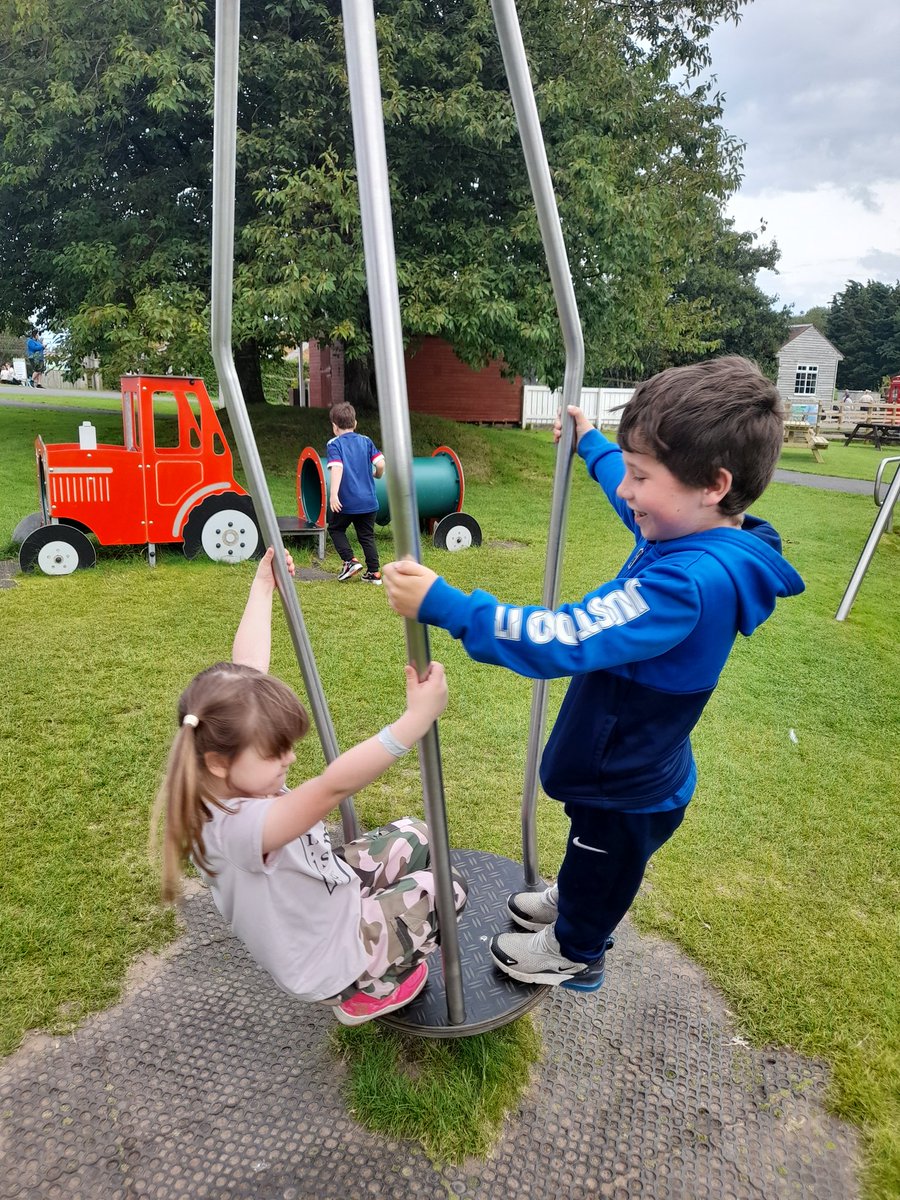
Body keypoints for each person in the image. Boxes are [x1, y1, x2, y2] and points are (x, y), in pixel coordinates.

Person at [383, 356, 804, 992]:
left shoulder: (684, 584)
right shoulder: (697, 532)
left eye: (642, 475)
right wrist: (596, 446)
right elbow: (628, 496)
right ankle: (578, 898)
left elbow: (564, 637)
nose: (628, 490)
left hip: (628, 780)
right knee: (591, 850)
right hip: (632, 754)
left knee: (602, 857)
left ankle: (577, 949)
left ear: (713, 485)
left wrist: (448, 605)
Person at [152, 547, 466, 1025]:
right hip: (324, 955)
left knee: (418, 835)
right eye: (275, 753)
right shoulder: (239, 828)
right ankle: (365, 991)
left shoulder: (222, 769)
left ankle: (372, 932)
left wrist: (263, 587)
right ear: (219, 762)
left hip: (320, 898)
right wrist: (413, 722)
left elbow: (248, 671)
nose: (290, 758)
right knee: (447, 887)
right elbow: (329, 788)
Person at [326, 401, 386, 584]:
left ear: (335, 427)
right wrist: (377, 474)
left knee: (336, 529)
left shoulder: (334, 444)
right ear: (355, 423)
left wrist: (333, 494)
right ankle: (374, 573)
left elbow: (337, 467)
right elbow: (381, 463)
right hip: (369, 502)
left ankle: (349, 560)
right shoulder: (366, 441)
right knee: (366, 536)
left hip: (347, 501)